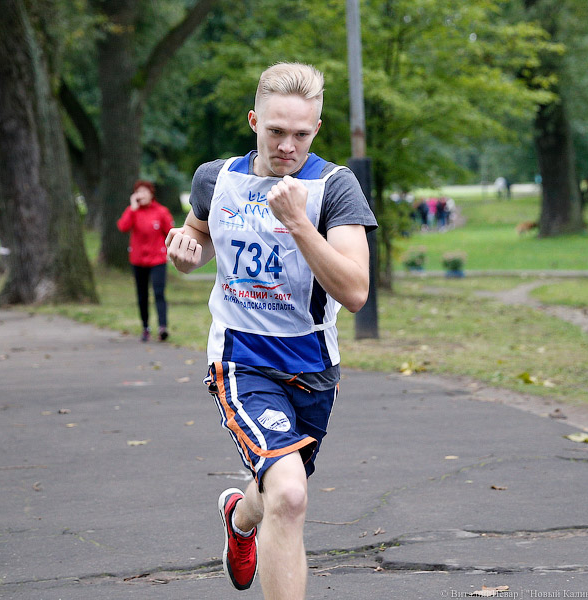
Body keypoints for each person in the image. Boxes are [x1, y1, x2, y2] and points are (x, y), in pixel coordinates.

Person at [165, 63, 377, 599]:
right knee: (291, 494)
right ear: (253, 121)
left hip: (312, 366)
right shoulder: (216, 177)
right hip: (241, 358)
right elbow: (198, 234)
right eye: (276, 131)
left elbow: (355, 292)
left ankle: (239, 518)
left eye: (301, 135)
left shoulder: (333, 186)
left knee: (281, 489)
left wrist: (300, 222)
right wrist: (185, 250)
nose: (287, 146)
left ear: (317, 129)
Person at [117, 180, 175, 341]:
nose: (141, 195)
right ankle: (145, 327)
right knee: (142, 294)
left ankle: (162, 327)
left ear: (151, 194)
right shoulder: (133, 211)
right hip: (138, 260)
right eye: (138, 192)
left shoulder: (161, 211)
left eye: (144, 191)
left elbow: (170, 233)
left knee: (158, 292)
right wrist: (132, 208)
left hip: (157, 259)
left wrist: (171, 252)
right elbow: (123, 227)